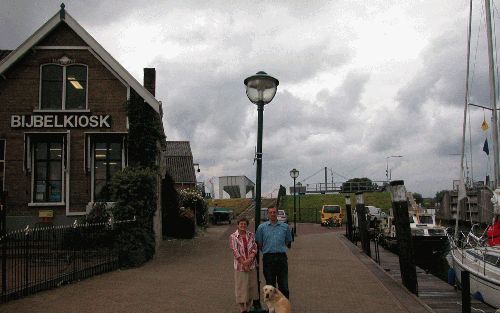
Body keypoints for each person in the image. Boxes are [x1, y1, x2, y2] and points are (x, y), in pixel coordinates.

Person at [255, 207, 292, 299]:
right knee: (270, 285)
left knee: (283, 284)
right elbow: (259, 243)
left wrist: (279, 248)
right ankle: (271, 308)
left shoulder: (285, 227)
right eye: (270, 212)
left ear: (277, 213)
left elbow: (287, 241)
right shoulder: (261, 228)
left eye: (274, 212)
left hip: (281, 258)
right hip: (268, 258)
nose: (272, 214)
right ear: (268, 214)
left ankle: (284, 306)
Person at [229, 217, 259, 313]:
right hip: (240, 267)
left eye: (245, 224)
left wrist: (250, 259)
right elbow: (235, 251)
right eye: (241, 224)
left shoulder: (251, 235)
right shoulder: (233, 237)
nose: (243, 225)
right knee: (241, 287)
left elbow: (255, 247)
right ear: (238, 225)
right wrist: (244, 263)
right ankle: (242, 308)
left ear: (247, 225)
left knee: (251, 287)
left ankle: (249, 306)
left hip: (251, 265)